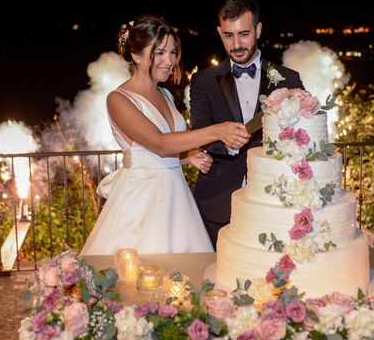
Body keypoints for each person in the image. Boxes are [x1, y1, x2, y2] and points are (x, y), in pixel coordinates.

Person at [81, 14, 250, 255]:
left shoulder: (166, 95)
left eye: (172, 53)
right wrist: (217, 131)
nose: (169, 61)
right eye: (159, 53)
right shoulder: (118, 100)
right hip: (142, 203)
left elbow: (157, 152)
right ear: (136, 55)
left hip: (177, 198)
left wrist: (186, 156)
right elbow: (159, 143)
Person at [190, 0, 304, 247]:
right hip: (219, 198)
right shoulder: (204, 81)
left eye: (244, 34)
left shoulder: (289, 79)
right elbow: (198, 131)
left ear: (258, 30)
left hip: (275, 198)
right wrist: (224, 140)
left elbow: (301, 136)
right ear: (220, 33)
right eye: (229, 35)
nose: (237, 44)